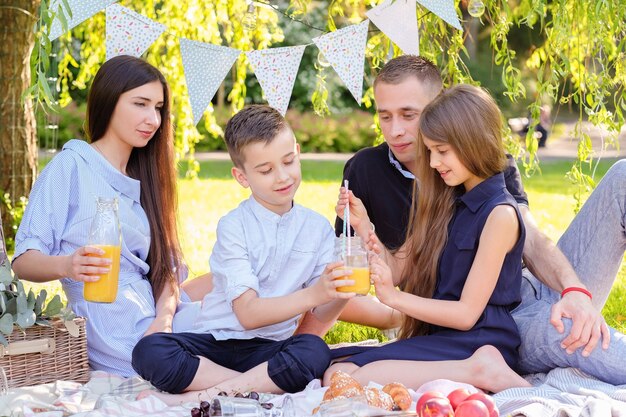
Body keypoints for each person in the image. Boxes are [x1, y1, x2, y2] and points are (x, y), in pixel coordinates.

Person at [329, 55, 626, 385]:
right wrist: (367, 231)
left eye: (408, 115)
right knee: (568, 331)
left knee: (622, 177)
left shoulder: (482, 172)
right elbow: (394, 270)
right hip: (486, 322)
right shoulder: (389, 176)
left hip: (513, 300)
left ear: (439, 111)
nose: (395, 130)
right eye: (384, 116)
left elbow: (530, 237)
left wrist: (574, 291)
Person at [132, 105, 355, 404]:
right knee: (150, 351)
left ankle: (205, 395)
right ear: (241, 176)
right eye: (265, 170)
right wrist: (317, 293)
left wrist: (342, 292)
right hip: (215, 344)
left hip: (269, 349)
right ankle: (248, 388)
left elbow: (320, 311)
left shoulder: (317, 228)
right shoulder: (234, 226)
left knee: (314, 351)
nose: (282, 177)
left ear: (298, 152)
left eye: (289, 161)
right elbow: (248, 314)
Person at [11, 55, 209, 377]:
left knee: (240, 287)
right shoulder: (71, 166)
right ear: (109, 101)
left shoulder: (148, 179)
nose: (153, 119)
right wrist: (68, 264)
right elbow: (23, 260)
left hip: (155, 317)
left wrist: (163, 322)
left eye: (158, 108)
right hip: (113, 326)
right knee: (239, 332)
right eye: (140, 104)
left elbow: (167, 274)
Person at [324, 84, 531, 391]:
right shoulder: (444, 201)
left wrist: (394, 300)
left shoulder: (500, 214)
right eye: (431, 151)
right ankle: (471, 371)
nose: (433, 163)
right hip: (441, 340)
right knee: (334, 370)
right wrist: (365, 224)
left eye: (442, 152)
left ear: (474, 143)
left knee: (352, 378)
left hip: (480, 339)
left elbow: (465, 314)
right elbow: (398, 270)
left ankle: (481, 371)